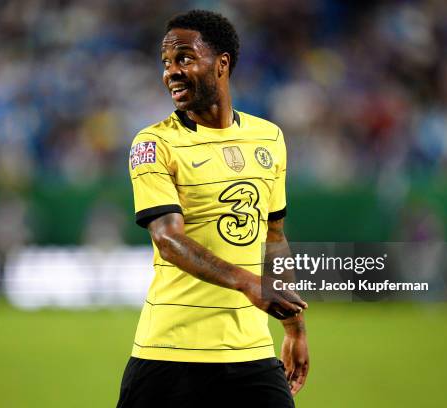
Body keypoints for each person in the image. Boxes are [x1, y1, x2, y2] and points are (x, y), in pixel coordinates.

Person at [118, 10, 308, 408]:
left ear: (221, 64)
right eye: (166, 63)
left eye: (184, 58)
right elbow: (168, 239)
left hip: (251, 353)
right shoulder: (153, 144)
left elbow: (274, 237)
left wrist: (294, 327)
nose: (171, 72)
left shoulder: (269, 138)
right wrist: (247, 283)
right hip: (169, 353)